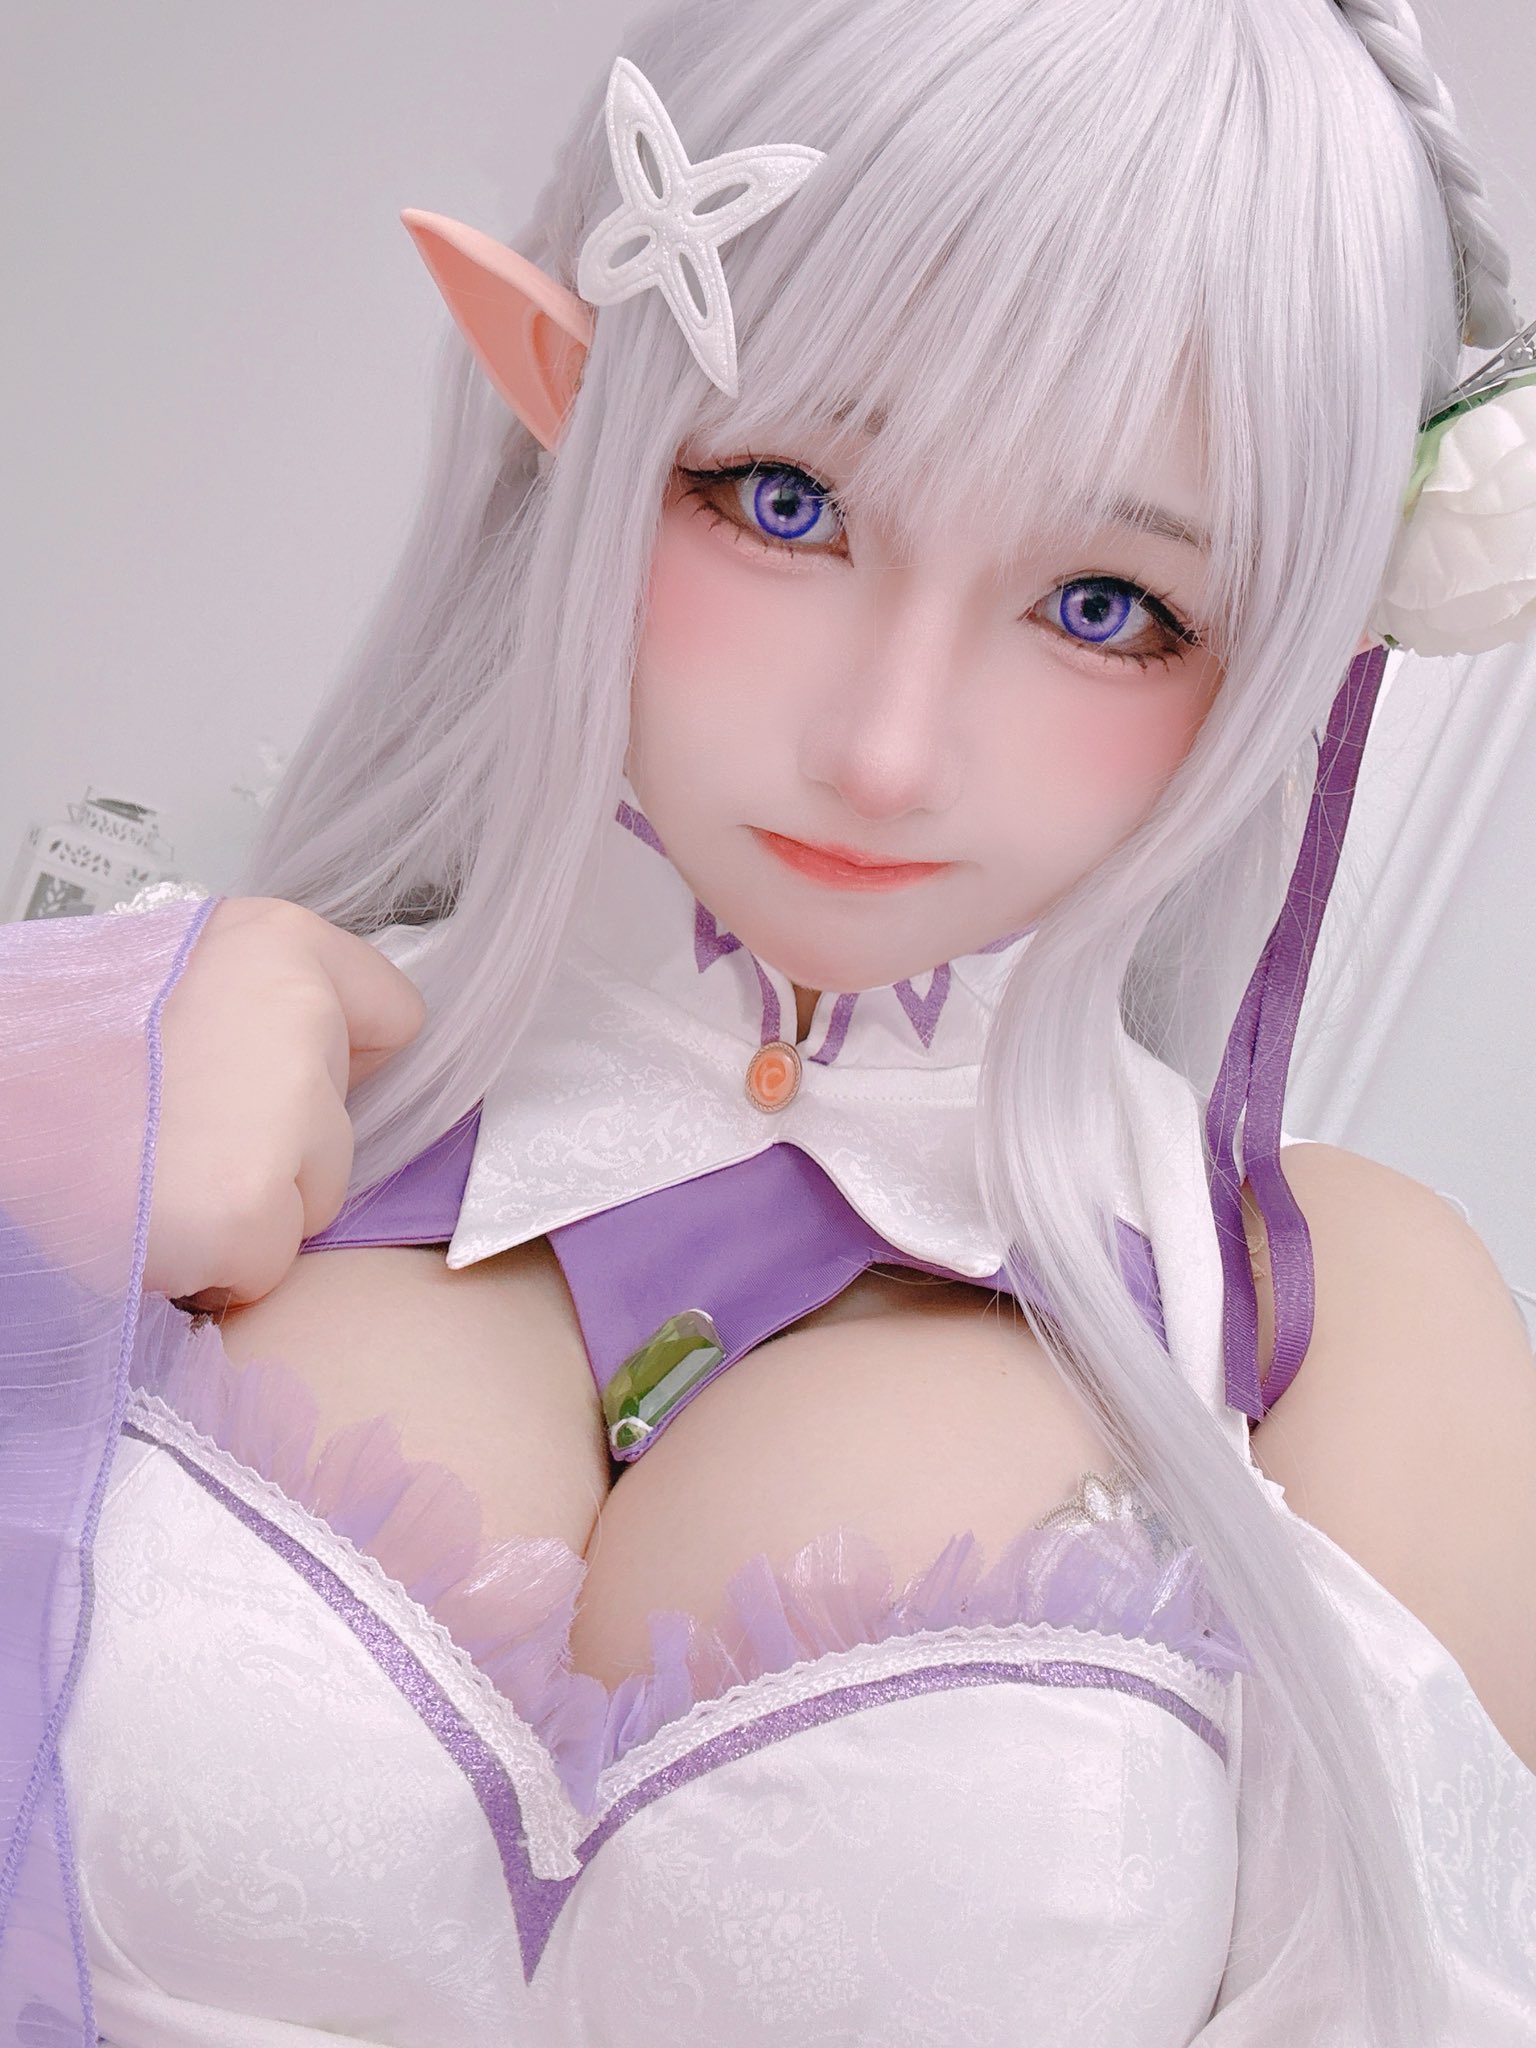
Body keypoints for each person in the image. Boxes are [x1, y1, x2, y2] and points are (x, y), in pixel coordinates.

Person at [2, 0, 1534, 2040]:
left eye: (1106, 607)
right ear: (568, 393)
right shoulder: (147, 1046)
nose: (886, 750)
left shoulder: (1327, 1321)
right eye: (787, 499)